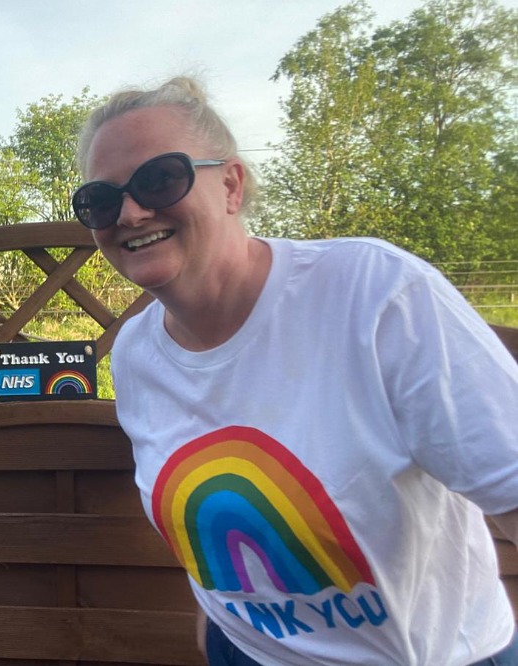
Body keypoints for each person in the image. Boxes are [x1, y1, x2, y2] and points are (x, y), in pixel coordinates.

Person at [73, 76, 518, 665]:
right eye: (102, 200)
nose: (130, 212)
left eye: (160, 179)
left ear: (231, 184)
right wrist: (220, 630)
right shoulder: (135, 352)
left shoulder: (375, 295)